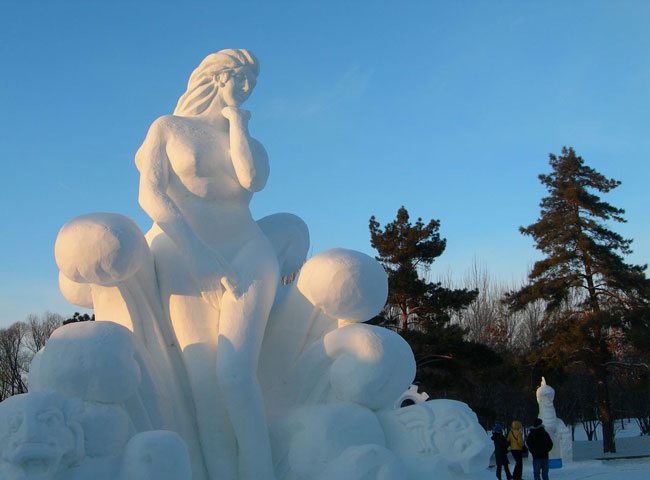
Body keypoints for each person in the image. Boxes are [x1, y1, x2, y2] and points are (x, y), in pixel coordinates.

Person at [136, 49, 279, 480]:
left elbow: (251, 179)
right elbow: (150, 196)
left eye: (252, 82)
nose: (248, 88)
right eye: (241, 78)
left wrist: (237, 122)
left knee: (236, 374)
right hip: (186, 258)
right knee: (204, 385)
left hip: (248, 251)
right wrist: (197, 254)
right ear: (217, 78)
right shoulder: (168, 128)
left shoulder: (249, 142)